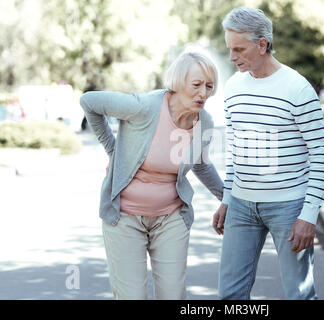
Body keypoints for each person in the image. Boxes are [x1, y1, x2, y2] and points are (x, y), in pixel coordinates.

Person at [80, 51, 224, 300]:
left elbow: (201, 165)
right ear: (179, 82)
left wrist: (228, 197)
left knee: (173, 295)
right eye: (197, 85)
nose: (203, 93)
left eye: (209, 86)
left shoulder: (205, 123)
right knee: (132, 296)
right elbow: (89, 102)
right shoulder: (144, 107)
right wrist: (114, 152)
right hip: (125, 217)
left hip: (170, 218)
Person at [212, 7, 324, 300]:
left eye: (239, 49)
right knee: (230, 296)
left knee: (299, 295)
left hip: (289, 208)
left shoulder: (297, 88)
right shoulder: (233, 88)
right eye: (230, 49)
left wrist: (309, 215)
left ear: (262, 44)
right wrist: (227, 199)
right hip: (241, 206)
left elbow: (321, 153)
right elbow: (235, 152)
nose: (232, 57)